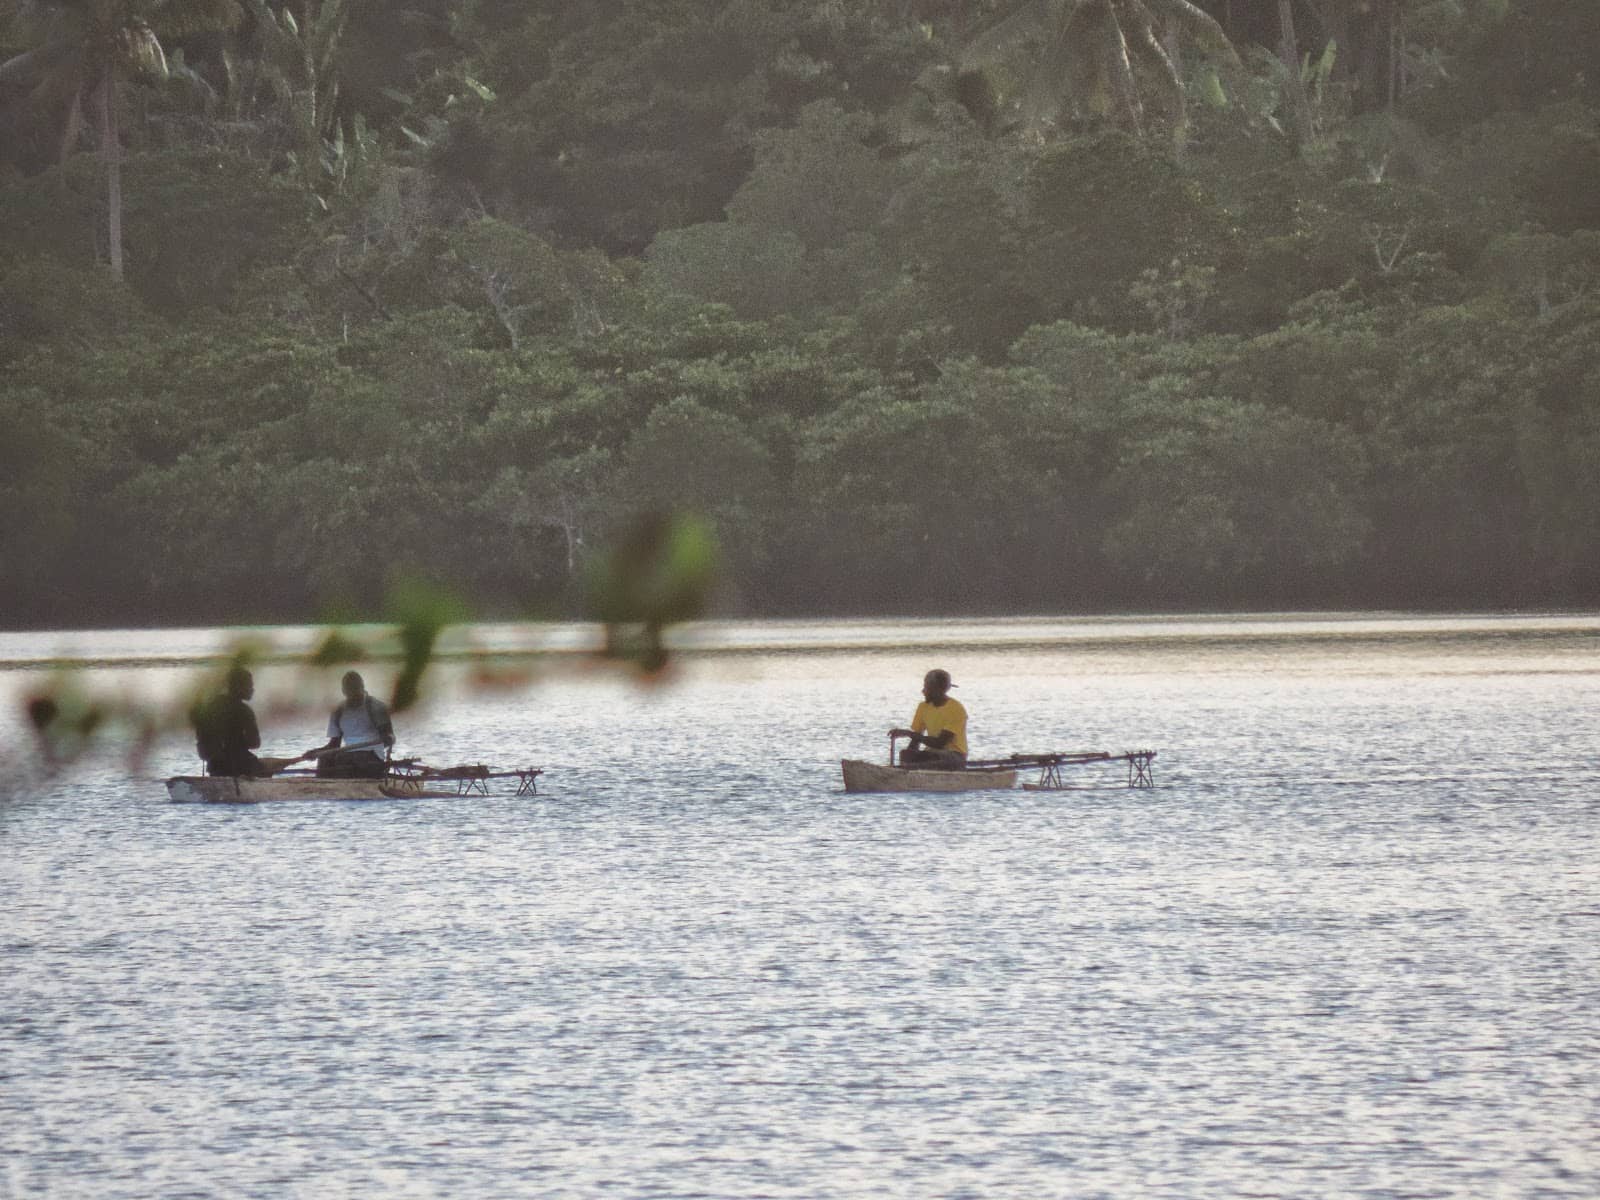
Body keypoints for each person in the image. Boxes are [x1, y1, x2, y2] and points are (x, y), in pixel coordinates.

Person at [306, 671, 395, 779]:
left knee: (344, 759)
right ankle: (321, 788)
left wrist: (388, 738)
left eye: (356, 690)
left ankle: (341, 787)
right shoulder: (338, 711)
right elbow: (334, 745)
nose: (354, 695)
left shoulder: (376, 707)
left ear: (362, 687)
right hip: (347, 755)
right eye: (350, 691)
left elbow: (390, 738)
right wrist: (316, 752)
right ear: (344, 691)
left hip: (373, 756)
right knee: (325, 758)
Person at [193, 666, 265, 777]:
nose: (252, 689)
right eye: (249, 686)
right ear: (238, 687)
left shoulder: (211, 706)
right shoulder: (244, 711)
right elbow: (255, 743)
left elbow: (201, 735)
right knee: (265, 769)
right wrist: (237, 744)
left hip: (214, 767)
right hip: (240, 767)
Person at [889, 668, 968, 769]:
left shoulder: (956, 709)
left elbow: (940, 743)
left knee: (933, 757)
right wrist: (910, 757)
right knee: (907, 754)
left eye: (927, 688)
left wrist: (909, 733)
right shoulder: (923, 707)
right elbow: (916, 739)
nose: (923, 691)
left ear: (938, 690)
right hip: (932, 753)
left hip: (955, 756)